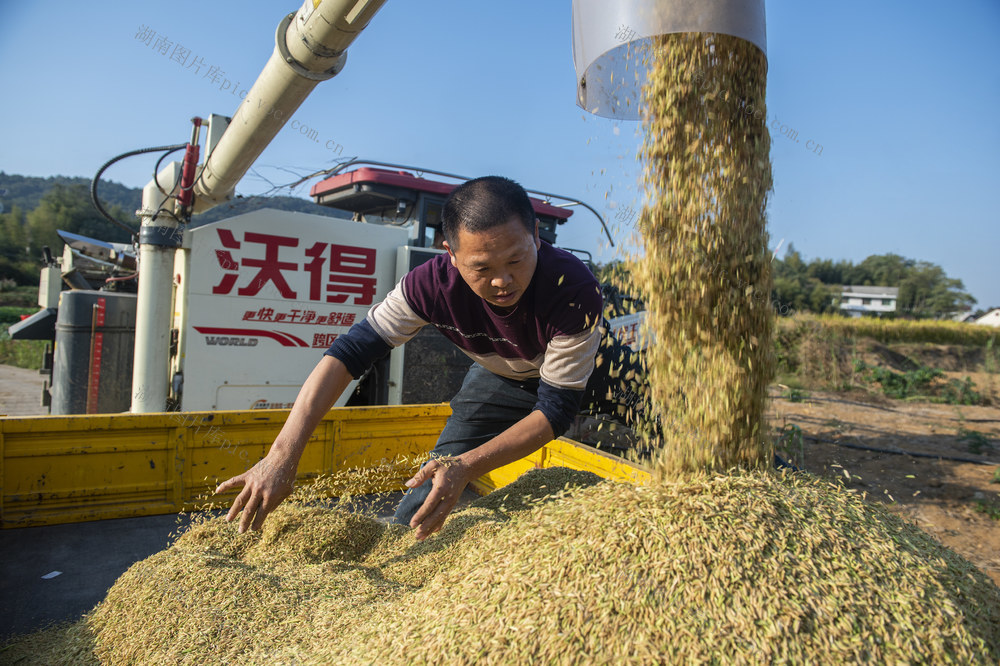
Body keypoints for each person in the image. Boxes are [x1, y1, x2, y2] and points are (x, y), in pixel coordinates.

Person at [215, 176, 646, 540]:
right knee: (432, 484)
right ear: (451, 256)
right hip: (502, 376)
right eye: (481, 267)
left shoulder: (571, 289)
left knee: (667, 432)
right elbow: (349, 353)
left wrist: (468, 467)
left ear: (537, 236)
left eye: (517, 258)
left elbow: (554, 409)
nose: (502, 280)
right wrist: (282, 455)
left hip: (599, 374)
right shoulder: (428, 287)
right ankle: (405, 552)